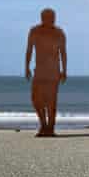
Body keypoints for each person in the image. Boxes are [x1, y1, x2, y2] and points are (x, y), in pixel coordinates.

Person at [25, 8, 67, 137]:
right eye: (50, 17)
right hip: (40, 71)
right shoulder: (35, 31)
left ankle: (50, 127)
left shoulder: (59, 33)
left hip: (53, 71)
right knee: (36, 99)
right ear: (43, 18)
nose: (52, 20)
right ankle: (44, 124)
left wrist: (64, 71)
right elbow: (29, 50)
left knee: (51, 101)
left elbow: (63, 53)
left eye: (53, 17)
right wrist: (26, 67)